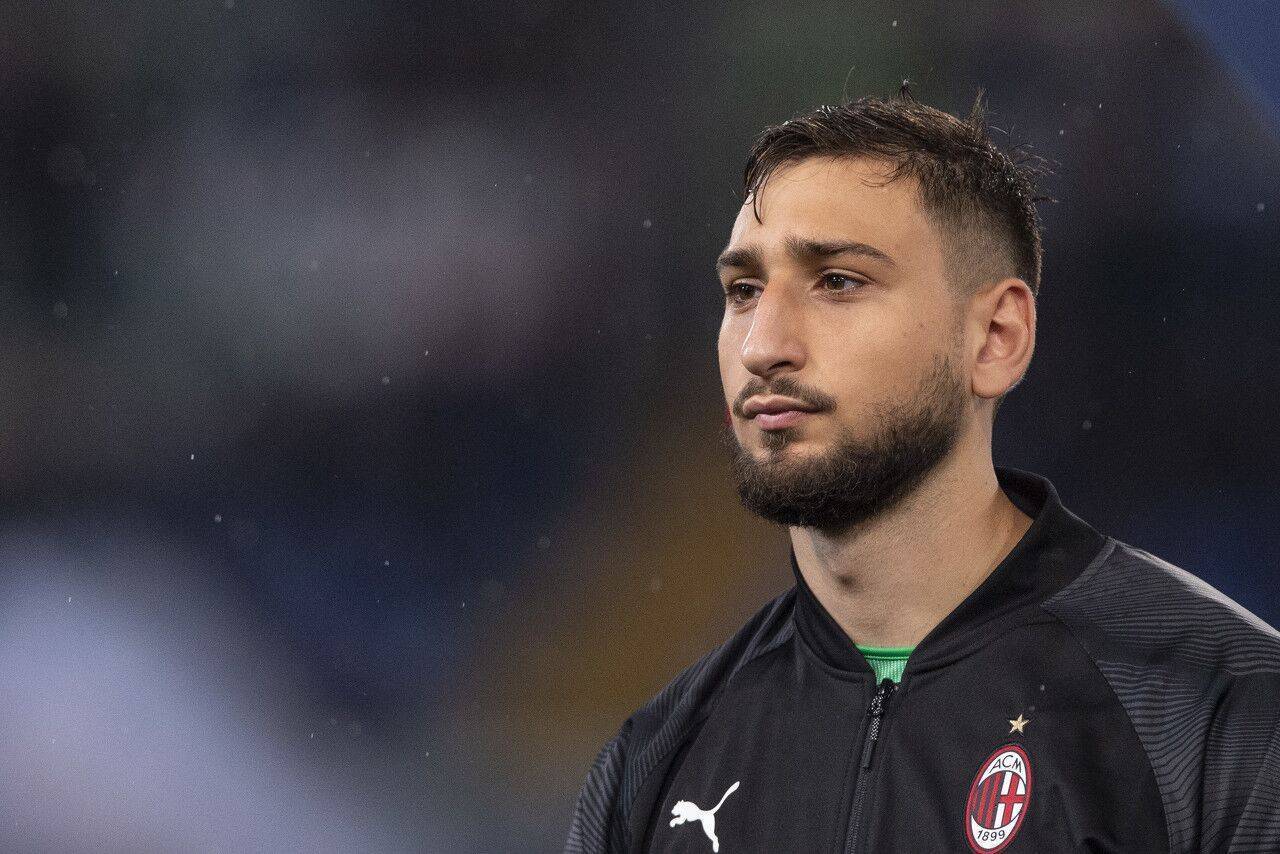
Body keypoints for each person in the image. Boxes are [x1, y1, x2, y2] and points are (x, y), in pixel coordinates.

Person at [563, 85, 1280, 853]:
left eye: (838, 281)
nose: (762, 346)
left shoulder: (1216, 716)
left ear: (996, 337)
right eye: (743, 290)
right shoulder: (651, 766)